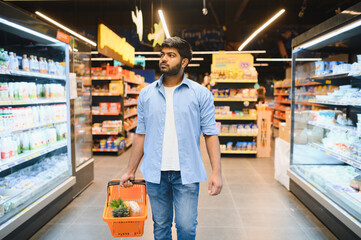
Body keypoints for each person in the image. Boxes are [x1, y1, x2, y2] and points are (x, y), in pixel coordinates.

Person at [119, 36, 222, 240]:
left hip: (187, 173)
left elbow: (211, 134)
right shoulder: (146, 94)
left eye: (171, 55)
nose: (164, 59)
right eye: (162, 54)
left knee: (185, 227)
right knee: (161, 226)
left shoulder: (201, 94)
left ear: (184, 62)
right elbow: (141, 134)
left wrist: (216, 172)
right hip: (154, 173)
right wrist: (130, 170)